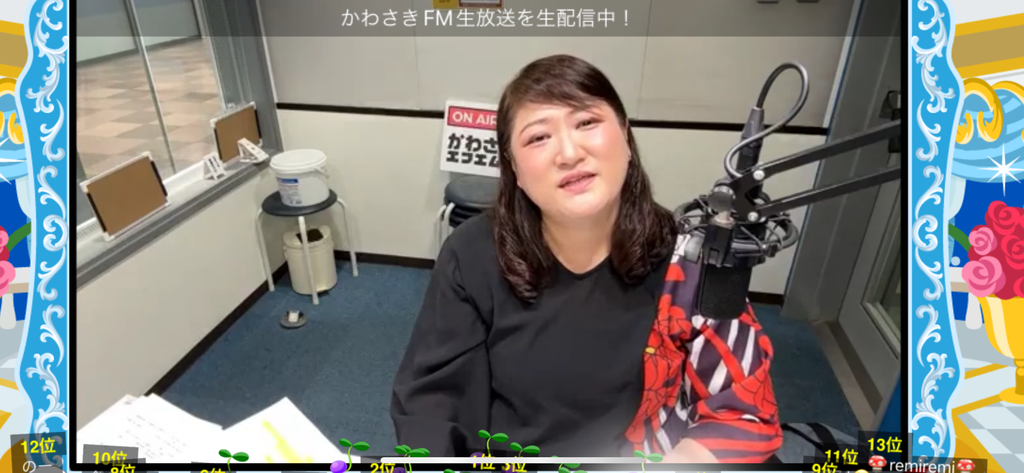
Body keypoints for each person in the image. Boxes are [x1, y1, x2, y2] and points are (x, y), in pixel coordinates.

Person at [390, 55, 782, 462]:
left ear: (625, 136)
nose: (568, 153)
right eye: (538, 138)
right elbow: (431, 404)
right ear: (514, 169)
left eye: (587, 123)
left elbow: (744, 411)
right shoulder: (472, 253)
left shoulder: (691, 260)